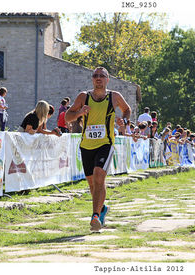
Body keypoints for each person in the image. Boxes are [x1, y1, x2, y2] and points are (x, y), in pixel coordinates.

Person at [65, 67, 131, 232]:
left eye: (102, 76)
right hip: (86, 145)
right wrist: (80, 112)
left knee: (99, 175)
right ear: (92, 79)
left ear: (108, 79)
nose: (98, 78)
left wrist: (124, 121)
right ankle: (102, 209)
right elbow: (68, 117)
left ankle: (95, 216)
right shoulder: (83, 97)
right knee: (92, 183)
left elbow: (127, 109)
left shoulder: (114, 96)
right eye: (95, 76)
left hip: (105, 143)